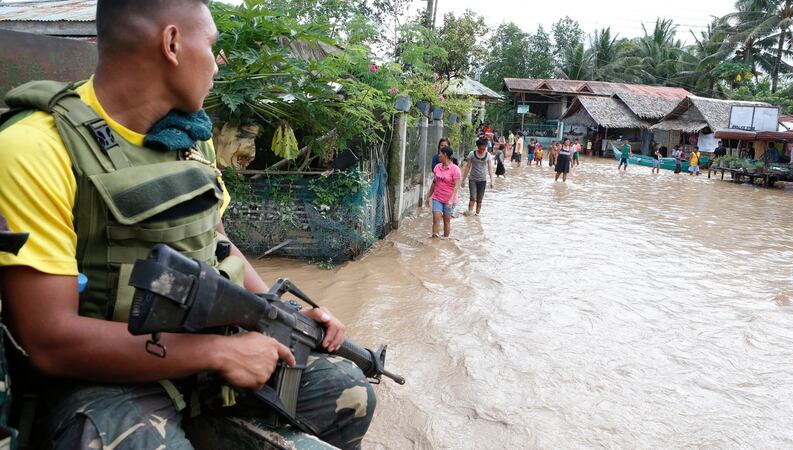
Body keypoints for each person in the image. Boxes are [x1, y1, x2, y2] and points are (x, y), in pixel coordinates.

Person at [0, 1, 375, 448]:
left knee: (348, 391)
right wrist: (217, 353)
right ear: (172, 43)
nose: (218, 62)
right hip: (107, 377)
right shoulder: (37, 146)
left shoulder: (186, 140)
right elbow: (50, 340)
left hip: (204, 357)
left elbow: (218, 243)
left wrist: (282, 314)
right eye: (212, 44)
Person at [425, 146, 461, 238]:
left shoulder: (455, 169)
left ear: (445, 155)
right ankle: (435, 241)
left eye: (440, 153)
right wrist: (428, 196)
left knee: (446, 221)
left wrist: (451, 200)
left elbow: (457, 186)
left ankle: (445, 240)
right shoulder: (437, 167)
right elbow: (434, 182)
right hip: (437, 198)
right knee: (436, 219)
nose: (439, 155)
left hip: (449, 199)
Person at [461, 139, 494, 215]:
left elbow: (490, 168)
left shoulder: (488, 155)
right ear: (477, 147)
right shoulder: (472, 154)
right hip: (472, 179)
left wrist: (492, 181)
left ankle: (477, 216)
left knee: (479, 200)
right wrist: (463, 180)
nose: (482, 150)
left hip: (483, 180)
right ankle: (470, 214)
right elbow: (467, 167)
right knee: (472, 197)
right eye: (480, 149)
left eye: (484, 149)